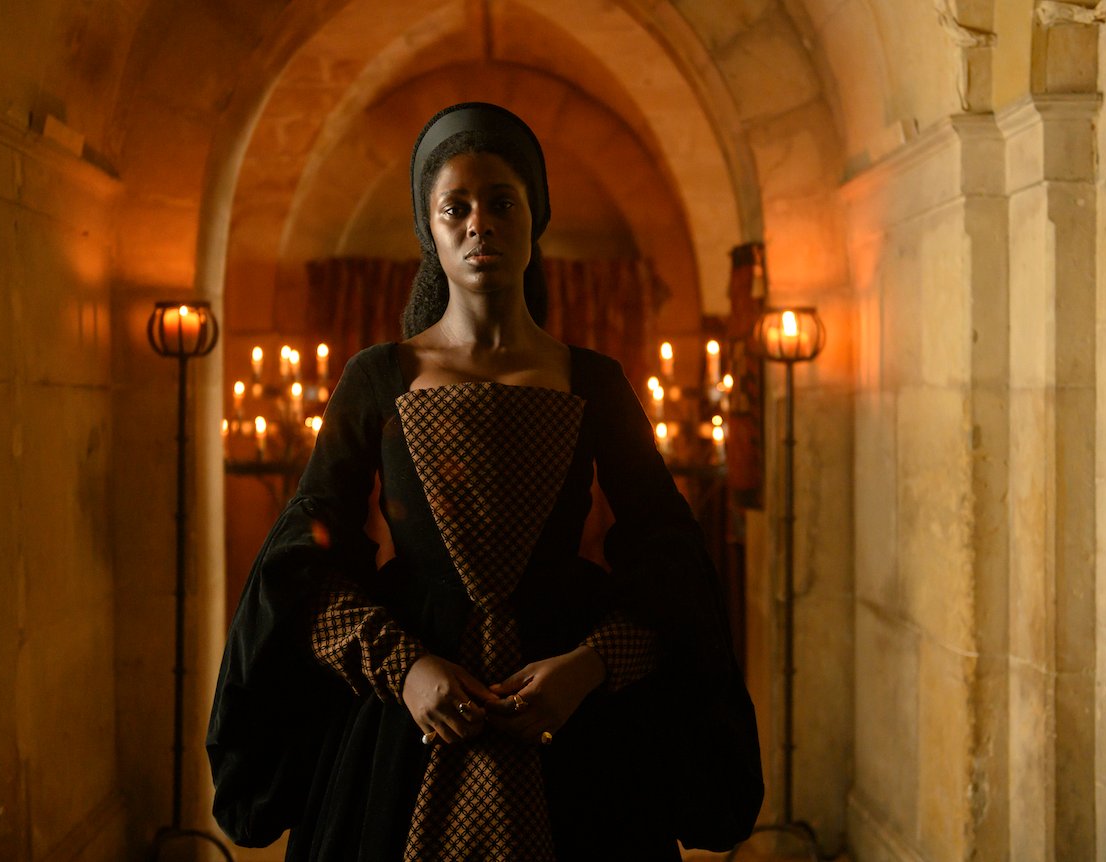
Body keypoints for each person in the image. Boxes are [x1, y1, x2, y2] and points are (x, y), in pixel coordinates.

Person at [207, 102, 763, 861]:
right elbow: (301, 564)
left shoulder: (592, 382)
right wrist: (403, 670)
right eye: (455, 207)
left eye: (502, 203)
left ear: (533, 219)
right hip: (411, 712)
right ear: (429, 231)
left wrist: (588, 668)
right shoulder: (380, 378)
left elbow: (673, 563)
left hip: (569, 713)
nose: (479, 224)